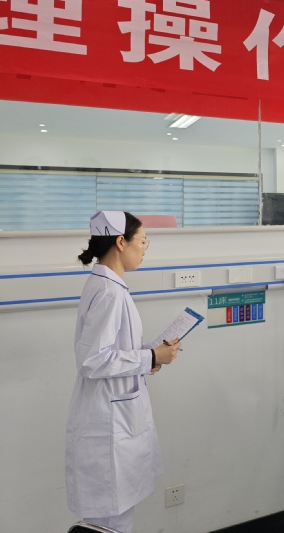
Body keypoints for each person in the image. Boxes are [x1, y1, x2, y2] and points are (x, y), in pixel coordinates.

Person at [66, 211, 180, 533]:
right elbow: (92, 360)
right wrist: (150, 356)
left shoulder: (108, 286)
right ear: (121, 242)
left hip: (117, 416)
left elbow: (111, 350)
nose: (144, 249)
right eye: (142, 242)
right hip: (109, 426)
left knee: (113, 517)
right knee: (110, 522)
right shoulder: (109, 292)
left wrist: (149, 357)